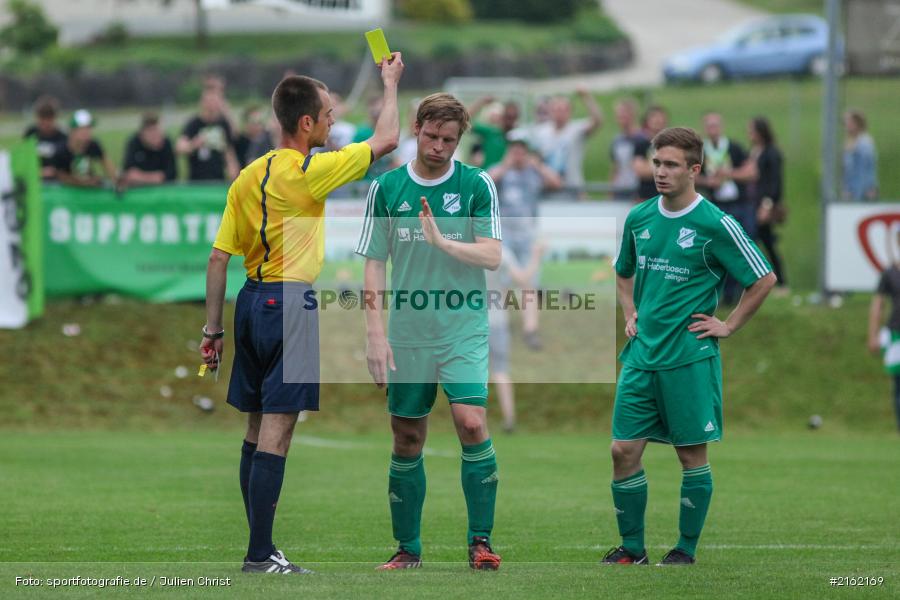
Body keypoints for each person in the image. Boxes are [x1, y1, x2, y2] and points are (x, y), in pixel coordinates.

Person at [199, 53, 404, 575]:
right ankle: (260, 554)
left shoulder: (249, 174)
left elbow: (219, 257)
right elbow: (387, 142)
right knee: (278, 428)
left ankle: (259, 548)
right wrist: (391, 82)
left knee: (253, 429)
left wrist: (212, 330)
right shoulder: (311, 170)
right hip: (291, 304)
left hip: (249, 302)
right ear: (306, 122)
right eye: (330, 115)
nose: (335, 123)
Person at [604, 127, 776, 566]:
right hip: (642, 355)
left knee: (690, 455)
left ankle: (685, 549)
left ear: (694, 170)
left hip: (689, 356)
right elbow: (623, 271)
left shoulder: (716, 223)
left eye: (671, 165)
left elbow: (764, 278)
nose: (660, 172)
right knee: (622, 450)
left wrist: (729, 325)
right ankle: (632, 549)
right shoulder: (640, 217)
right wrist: (630, 312)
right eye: (657, 163)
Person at [356, 92, 503, 571]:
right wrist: (375, 333)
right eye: (432, 136)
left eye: (450, 140)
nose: (440, 147)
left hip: (462, 326)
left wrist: (443, 240)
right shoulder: (387, 188)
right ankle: (407, 549)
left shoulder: (477, 184)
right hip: (408, 331)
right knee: (406, 439)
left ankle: (480, 542)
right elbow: (374, 265)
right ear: (417, 128)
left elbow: (492, 255)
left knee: (472, 422)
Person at [488, 138, 561, 350]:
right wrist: (505, 165)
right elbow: (488, 181)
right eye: (515, 151)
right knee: (501, 282)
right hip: (504, 234)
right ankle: (498, 325)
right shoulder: (501, 170)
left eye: (522, 152)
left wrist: (537, 164)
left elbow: (556, 182)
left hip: (528, 235)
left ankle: (530, 330)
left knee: (529, 284)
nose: (518, 156)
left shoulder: (534, 171)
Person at [696, 112, 757, 305]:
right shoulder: (701, 151)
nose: (713, 129)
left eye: (716, 125)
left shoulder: (734, 147)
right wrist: (708, 182)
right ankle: (722, 293)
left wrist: (729, 173)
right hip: (716, 205)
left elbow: (751, 172)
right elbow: (691, 175)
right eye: (709, 125)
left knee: (741, 246)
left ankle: (742, 289)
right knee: (718, 249)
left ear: (721, 126)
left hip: (739, 203)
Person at [487, 242, 545, 433]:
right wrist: (536, 255)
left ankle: (469, 417)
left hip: (469, 320)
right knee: (501, 371)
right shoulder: (502, 252)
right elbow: (523, 279)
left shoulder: (463, 246)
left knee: (468, 372)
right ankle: (509, 420)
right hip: (496, 320)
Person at [530, 88, 602, 196]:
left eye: (563, 110)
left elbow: (597, 121)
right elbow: (534, 158)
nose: (559, 113)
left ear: (570, 112)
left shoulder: (576, 130)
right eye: (556, 109)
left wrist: (586, 97)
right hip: (547, 190)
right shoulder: (541, 132)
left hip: (572, 190)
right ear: (550, 111)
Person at [748, 116, 788, 295]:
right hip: (752, 203)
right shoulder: (755, 150)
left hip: (764, 204)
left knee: (766, 243)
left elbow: (774, 181)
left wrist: (767, 204)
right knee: (761, 242)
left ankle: (779, 281)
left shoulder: (772, 153)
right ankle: (765, 281)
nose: (749, 134)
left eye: (752, 130)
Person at [868, 242, 900, 433]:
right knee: (898, 382)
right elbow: (878, 304)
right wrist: (873, 334)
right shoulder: (890, 274)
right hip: (897, 334)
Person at [177, 88, 240, 181]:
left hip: (218, 179)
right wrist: (194, 144)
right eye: (209, 101)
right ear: (202, 103)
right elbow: (180, 148)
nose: (212, 105)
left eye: (215, 101)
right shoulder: (194, 123)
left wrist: (234, 171)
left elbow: (229, 151)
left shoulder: (223, 124)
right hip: (196, 180)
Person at [51, 109, 117, 188]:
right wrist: (82, 182)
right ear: (73, 131)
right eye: (83, 129)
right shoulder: (61, 150)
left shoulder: (93, 145)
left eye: (89, 128)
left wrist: (116, 180)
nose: (87, 132)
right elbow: (58, 175)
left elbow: (108, 166)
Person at [120, 113, 177, 186]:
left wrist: (141, 177)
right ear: (142, 133)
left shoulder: (166, 142)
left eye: (159, 131)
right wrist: (155, 177)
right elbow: (128, 174)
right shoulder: (133, 143)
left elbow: (172, 174)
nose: (157, 135)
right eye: (152, 132)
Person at [468, 97, 521, 170]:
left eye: (513, 117)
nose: (510, 120)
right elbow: (466, 123)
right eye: (508, 116)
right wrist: (481, 102)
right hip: (488, 175)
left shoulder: (519, 138)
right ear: (503, 116)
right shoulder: (492, 132)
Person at [23, 95, 67, 180]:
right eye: (43, 118)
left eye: (49, 118)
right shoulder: (30, 134)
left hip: (57, 182)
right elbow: (23, 160)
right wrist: (39, 172)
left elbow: (67, 165)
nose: (46, 123)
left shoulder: (63, 137)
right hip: (34, 179)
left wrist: (55, 172)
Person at [632, 105, 668, 202]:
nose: (657, 120)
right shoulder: (641, 144)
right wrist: (666, 167)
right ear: (647, 122)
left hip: (667, 197)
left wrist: (650, 167)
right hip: (646, 196)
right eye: (654, 117)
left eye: (660, 117)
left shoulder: (672, 145)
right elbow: (640, 171)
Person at [609, 98, 642, 201]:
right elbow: (616, 167)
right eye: (618, 115)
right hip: (620, 190)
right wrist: (610, 192)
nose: (620, 118)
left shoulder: (642, 138)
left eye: (624, 114)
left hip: (637, 191)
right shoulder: (617, 140)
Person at [842, 109, 878, 202]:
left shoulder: (865, 142)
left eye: (848, 123)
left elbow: (867, 167)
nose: (846, 126)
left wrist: (870, 187)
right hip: (849, 190)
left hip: (861, 190)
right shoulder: (849, 141)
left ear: (857, 124)